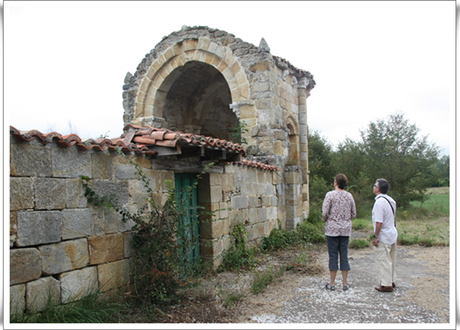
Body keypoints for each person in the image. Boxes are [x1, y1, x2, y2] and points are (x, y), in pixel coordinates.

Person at [322, 174, 356, 291]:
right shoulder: (349, 196)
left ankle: (332, 283)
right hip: (345, 229)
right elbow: (354, 213)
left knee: (333, 255)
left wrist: (327, 219)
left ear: (336, 182)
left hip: (332, 229)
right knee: (344, 254)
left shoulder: (330, 195)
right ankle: (345, 283)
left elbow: (325, 212)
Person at [372, 178, 398, 292]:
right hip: (392, 233)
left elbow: (379, 222)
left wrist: (376, 236)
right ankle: (392, 280)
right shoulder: (391, 201)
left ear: (378, 188)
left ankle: (386, 284)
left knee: (383, 259)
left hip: (384, 235)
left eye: (374, 185)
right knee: (391, 259)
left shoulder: (379, 202)